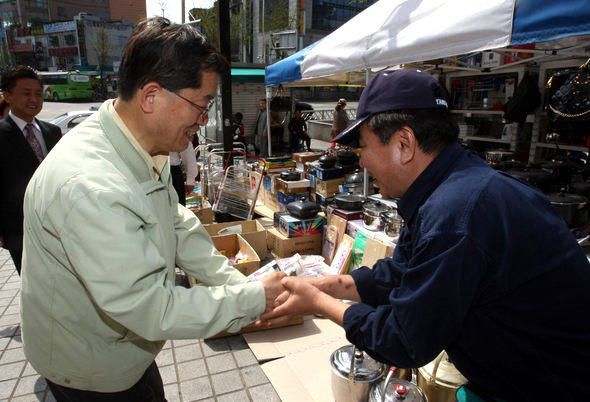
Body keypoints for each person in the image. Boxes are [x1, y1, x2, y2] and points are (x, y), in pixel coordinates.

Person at [262, 69, 590, 400]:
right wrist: (325, 285)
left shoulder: (456, 213)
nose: (361, 164)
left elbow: (404, 341)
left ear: (404, 143)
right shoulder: (452, 187)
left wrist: (319, 302)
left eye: (363, 148)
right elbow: (402, 273)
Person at [20, 17, 285, 401]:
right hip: (92, 372)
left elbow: (176, 223)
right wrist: (252, 299)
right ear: (151, 97)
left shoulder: (138, 145)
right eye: (201, 104)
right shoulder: (88, 184)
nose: (204, 120)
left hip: (128, 352)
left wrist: (237, 284)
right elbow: (148, 306)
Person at [0, 66, 61, 275]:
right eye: (26, 93)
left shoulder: (52, 131)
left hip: (57, 225)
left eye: (38, 93)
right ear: (8, 96)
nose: (34, 99)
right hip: (19, 230)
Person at [169, 141, 199, 206]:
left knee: (178, 210)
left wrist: (190, 180)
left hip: (172, 172)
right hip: (149, 170)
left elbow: (186, 145)